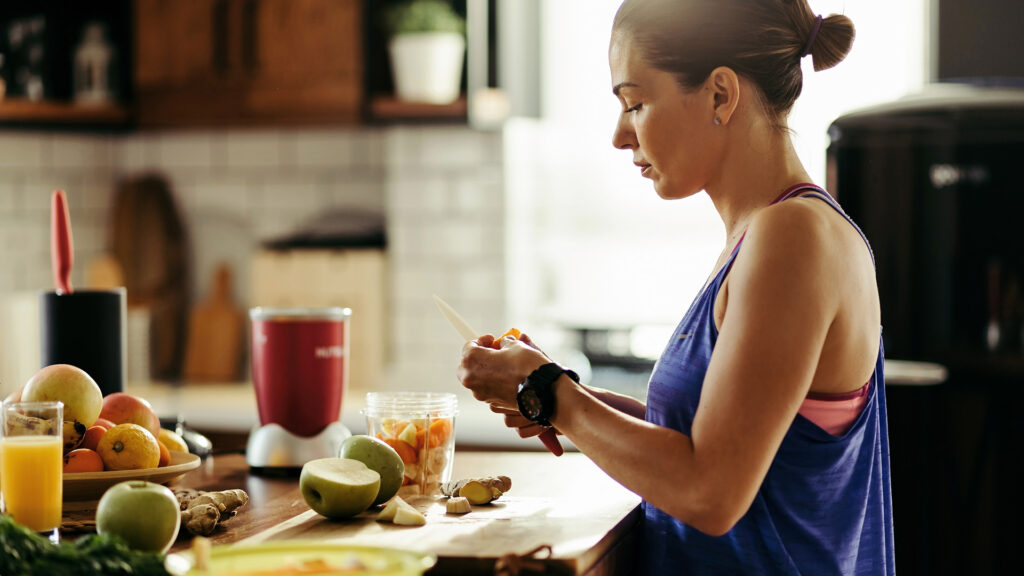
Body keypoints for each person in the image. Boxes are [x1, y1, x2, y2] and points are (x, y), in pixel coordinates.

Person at [456, 0, 894, 574]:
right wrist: (561, 394)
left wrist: (549, 393)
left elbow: (710, 492)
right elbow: (711, 440)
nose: (619, 135)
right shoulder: (765, 234)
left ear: (720, 94)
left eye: (635, 103)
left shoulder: (794, 237)